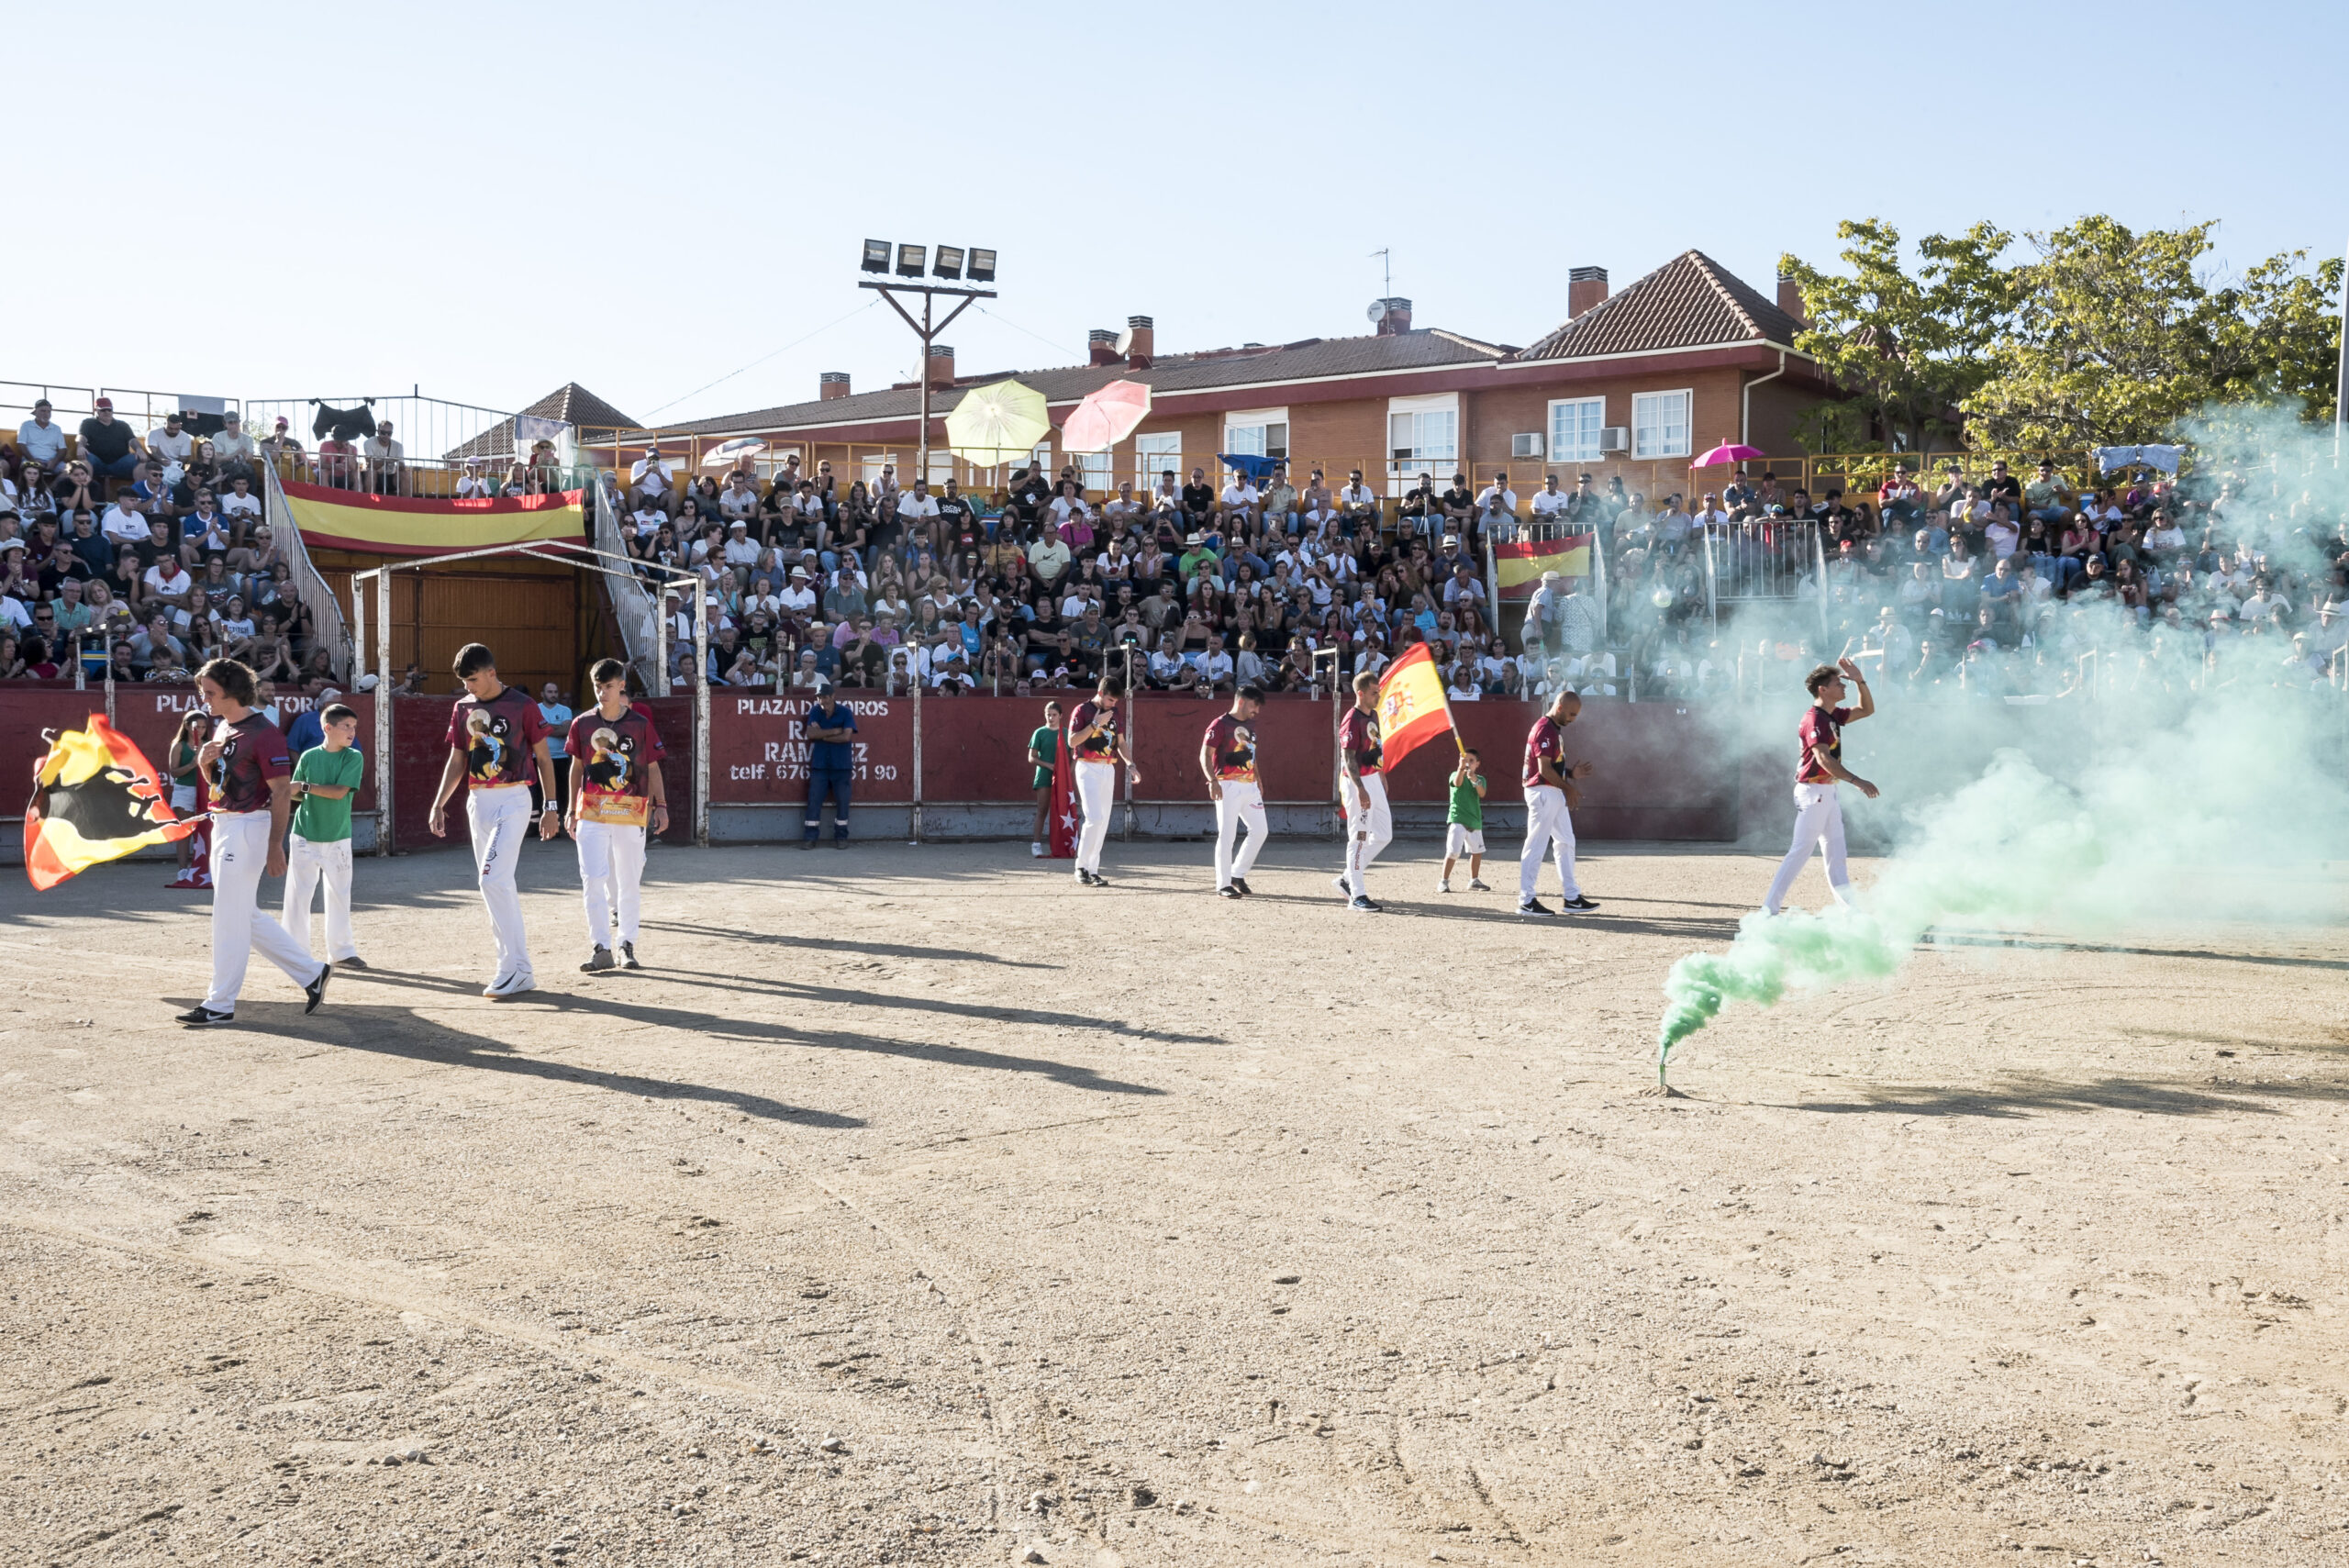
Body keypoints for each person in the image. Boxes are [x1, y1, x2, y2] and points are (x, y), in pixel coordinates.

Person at [175, 658, 331, 1027]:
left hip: (249, 828)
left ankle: (220, 1003)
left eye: (210, 692)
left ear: (231, 691)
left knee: (228, 916)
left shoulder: (265, 732)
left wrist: (276, 847)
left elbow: (280, 792)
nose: (204, 698)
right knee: (241, 912)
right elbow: (219, 783)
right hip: (226, 824)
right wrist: (203, 762)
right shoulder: (225, 728)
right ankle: (311, 973)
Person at [428, 642, 560, 998]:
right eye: (464, 682)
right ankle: (519, 969)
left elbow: (545, 759)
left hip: (515, 799)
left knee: (492, 880)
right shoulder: (462, 707)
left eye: (472, 679)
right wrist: (439, 802)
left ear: (491, 673)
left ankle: (510, 968)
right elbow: (458, 759)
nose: (468, 687)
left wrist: (551, 807)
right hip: (478, 801)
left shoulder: (523, 705)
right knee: (498, 887)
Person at [566, 657, 670, 972]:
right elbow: (577, 768)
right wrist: (571, 809)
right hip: (592, 813)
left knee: (628, 881)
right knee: (592, 879)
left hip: (630, 812)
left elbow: (652, 767)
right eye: (598, 687)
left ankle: (626, 945)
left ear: (622, 685)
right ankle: (600, 947)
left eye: (608, 687)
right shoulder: (582, 723)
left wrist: (661, 806)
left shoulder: (639, 724)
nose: (602, 693)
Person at [1762, 658, 1877, 917]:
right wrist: (1857, 781)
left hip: (1825, 792)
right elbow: (1823, 759)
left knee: (1836, 854)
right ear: (1823, 690)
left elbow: (1867, 710)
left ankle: (1851, 914)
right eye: (1839, 683)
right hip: (1814, 792)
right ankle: (1768, 910)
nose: (1843, 687)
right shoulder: (1815, 719)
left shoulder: (1831, 714)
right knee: (1801, 851)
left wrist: (1860, 680)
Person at [281, 703, 366, 971]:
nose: (352, 731)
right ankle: (294, 953)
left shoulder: (354, 757)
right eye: (346, 726)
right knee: (298, 896)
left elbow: (339, 791)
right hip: (304, 834)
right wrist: (284, 790)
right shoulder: (307, 757)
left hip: (338, 837)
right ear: (328, 728)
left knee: (339, 894)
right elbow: (297, 794)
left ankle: (341, 953)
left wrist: (303, 786)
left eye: (354, 727)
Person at [1518, 689, 1598, 916]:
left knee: (1565, 841)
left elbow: (1552, 767)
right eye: (1572, 714)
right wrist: (1569, 787)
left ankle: (1571, 898)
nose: (1573, 719)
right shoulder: (1545, 729)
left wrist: (1571, 774)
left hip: (1551, 791)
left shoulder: (1552, 729)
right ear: (1560, 707)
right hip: (1543, 791)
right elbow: (1543, 769)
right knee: (1536, 844)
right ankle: (1526, 900)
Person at [1066, 673, 1140, 885]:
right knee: (1094, 818)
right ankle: (1080, 866)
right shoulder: (1082, 710)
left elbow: (1121, 743)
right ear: (1100, 693)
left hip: (1108, 768)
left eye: (1116, 701)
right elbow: (1072, 741)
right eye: (1110, 700)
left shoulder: (1115, 713)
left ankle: (1093, 868)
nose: (1113, 705)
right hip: (1087, 766)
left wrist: (1131, 764)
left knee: (1103, 821)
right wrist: (1095, 724)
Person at [1201, 683, 1266, 898]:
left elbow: (1251, 754)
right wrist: (1212, 781)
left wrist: (1258, 778)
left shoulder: (1251, 725)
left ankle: (1237, 874)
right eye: (1254, 706)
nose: (1256, 711)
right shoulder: (1219, 724)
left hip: (1249, 785)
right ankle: (1223, 884)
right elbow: (1205, 755)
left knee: (1260, 831)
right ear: (1241, 701)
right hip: (1226, 784)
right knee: (1227, 835)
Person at [1334, 669, 1389, 912]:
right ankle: (1357, 895)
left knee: (1384, 834)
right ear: (1360, 693)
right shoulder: (1351, 719)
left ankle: (1347, 878)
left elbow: (1376, 747)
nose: (1378, 696)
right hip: (1358, 783)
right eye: (1374, 693)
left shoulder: (1374, 715)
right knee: (1359, 837)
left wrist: (1381, 775)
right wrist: (1360, 788)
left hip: (1373, 779)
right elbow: (1347, 756)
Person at [802, 680, 858, 848]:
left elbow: (847, 737)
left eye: (825, 697)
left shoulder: (845, 712)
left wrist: (822, 735)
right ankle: (810, 838)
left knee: (842, 802)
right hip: (820, 765)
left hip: (841, 765)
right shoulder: (815, 711)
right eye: (820, 697)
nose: (822, 701)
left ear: (833, 696)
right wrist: (834, 731)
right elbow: (811, 733)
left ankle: (841, 837)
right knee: (814, 801)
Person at [1438, 748, 1489, 894]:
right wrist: (1461, 769)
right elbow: (1457, 783)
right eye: (1465, 760)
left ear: (1477, 764)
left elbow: (1482, 793)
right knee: (1453, 852)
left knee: (1477, 852)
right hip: (1457, 819)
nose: (1468, 763)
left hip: (1474, 821)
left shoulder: (1481, 779)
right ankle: (1444, 881)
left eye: (1471, 761)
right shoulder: (1455, 774)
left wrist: (1474, 779)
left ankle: (1474, 880)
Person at [1028, 699, 1063, 857]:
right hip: (1044, 776)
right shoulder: (1040, 732)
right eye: (1048, 715)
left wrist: (1066, 773)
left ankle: (1063, 843)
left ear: (1060, 716)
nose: (1051, 718)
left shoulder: (1066, 733)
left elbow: (1073, 757)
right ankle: (1036, 844)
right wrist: (1048, 766)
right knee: (1042, 810)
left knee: (1062, 810)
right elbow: (1032, 757)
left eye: (1054, 715)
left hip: (1062, 778)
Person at [537, 681, 575, 819]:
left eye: (555, 692)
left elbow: (565, 731)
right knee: (539, 792)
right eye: (550, 692)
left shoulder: (566, 710)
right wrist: (556, 727)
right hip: (539, 757)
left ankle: (559, 821)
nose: (553, 695)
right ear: (542, 694)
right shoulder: (535, 709)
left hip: (561, 757)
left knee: (561, 791)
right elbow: (533, 731)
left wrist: (543, 727)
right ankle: (539, 821)